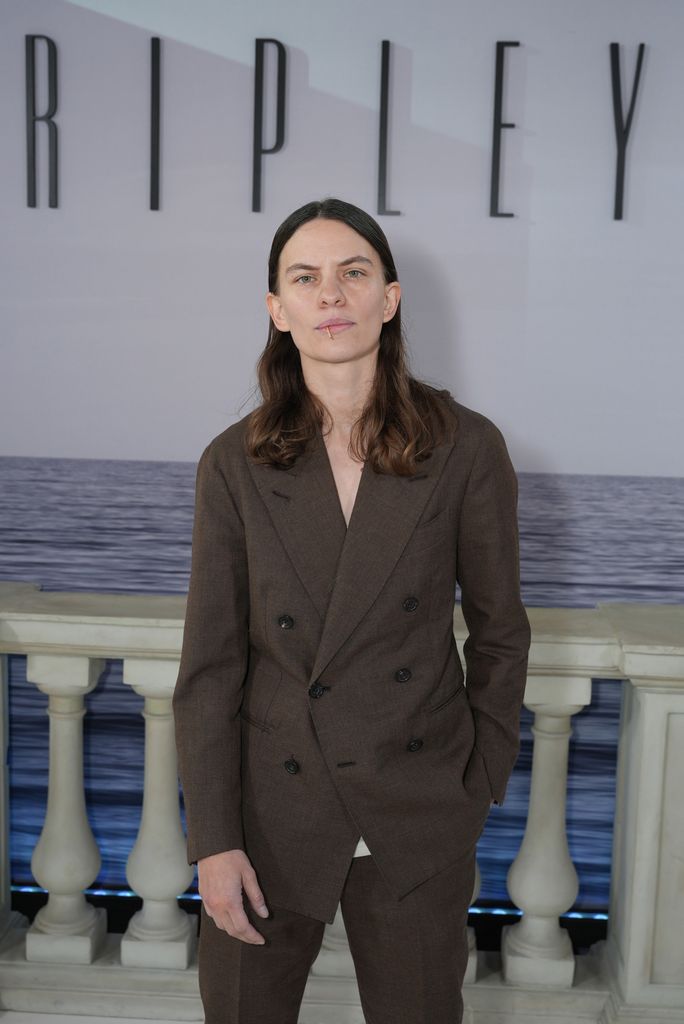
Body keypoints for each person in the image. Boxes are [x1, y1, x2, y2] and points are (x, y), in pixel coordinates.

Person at [173, 197, 531, 1024]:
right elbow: (212, 667)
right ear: (278, 309)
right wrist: (214, 839)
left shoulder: (466, 447)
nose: (330, 295)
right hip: (269, 812)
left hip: (415, 807)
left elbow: (501, 632)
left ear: (389, 298)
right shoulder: (231, 463)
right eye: (306, 278)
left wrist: (473, 787)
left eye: (353, 274)